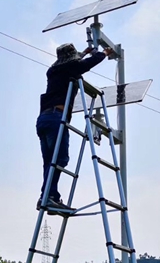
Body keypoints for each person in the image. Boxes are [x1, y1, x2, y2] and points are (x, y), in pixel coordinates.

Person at [36, 42, 113, 211]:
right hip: (57, 117)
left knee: (49, 161)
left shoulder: (53, 70)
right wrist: (103, 53)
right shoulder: (71, 68)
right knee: (60, 159)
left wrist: (85, 51)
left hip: (44, 119)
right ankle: (48, 197)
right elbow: (85, 65)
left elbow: (74, 61)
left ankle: (49, 196)